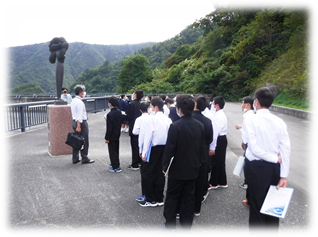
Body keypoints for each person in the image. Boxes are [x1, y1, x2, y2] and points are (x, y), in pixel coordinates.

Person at [243, 87, 290, 236]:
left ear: (256, 101)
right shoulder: (280, 121)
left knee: (257, 207)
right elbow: (286, 149)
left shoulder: (250, 119)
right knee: (273, 206)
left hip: (257, 167)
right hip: (274, 169)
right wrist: (284, 175)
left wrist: (274, 158)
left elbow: (254, 148)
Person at [162, 95, 205, 236]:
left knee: (172, 195)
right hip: (193, 167)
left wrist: (164, 167)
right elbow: (201, 148)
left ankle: (170, 225)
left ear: (179, 109)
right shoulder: (200, 126)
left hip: (177, 168)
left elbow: (170, 149)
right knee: (189, 196)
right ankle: (186, 225)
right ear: (193, 108)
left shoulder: (175, 126)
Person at [139, 97, 172, 207]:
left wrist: (143, 153)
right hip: (165, 149)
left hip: (152, 149)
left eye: (151, 107)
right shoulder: (168, 119)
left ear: (156, 107)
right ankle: (159, 197)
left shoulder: (151, 120)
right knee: (160, 173)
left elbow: (148, 137)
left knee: (147, 173)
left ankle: (150, 199)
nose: (150, 109)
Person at [192, 95, 213, 213]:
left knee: (189, 182)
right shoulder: (208, 121)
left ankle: (185, 209)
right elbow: (210, 139)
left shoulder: (188, 118)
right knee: (200, 181)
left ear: (195, 104)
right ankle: (197, 208)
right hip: (203, 154)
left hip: (190, 154)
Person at [235, 96, 254, 206]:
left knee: (248, 165)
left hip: (249, 145)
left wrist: (244, 142)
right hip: (250, 144)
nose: (242, 105)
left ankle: (247, 183)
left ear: (248, 105)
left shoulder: (249, 116)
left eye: (243, 103)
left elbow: (248, 131)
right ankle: (247, 183)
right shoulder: (250, 115)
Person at [132, 102, 151, 203]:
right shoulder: (152, 118)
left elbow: (135, 132)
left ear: (140, 110)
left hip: (144, 147)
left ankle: (145, 195)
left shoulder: (139, 119)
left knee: (145, 172)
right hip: (156, 148)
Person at [70, 85, 94, 164]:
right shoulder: (80, 102)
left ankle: (75, 157)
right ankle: (84, 157)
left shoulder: (73, 101)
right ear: (80, 93)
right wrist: (79, 126)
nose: (84, 93)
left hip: (74, 121)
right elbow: (79, 116)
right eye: (84, 91)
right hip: (80, 123)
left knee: (76, 140)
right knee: (84, 140)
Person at [209, 96, 228, 189]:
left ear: (216, 105)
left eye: (213, 103)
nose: (212, 105)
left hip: (219, 139)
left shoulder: (219, 116)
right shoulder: (219, 114)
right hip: (221, 139)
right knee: (220, 161)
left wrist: (213, 146)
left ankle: (214, 182)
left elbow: (215, 132)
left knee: (216, 161)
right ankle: (222, 181)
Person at [105, 96, 124, 173]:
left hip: (112, 135)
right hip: (117, 133)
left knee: (112, 151)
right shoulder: (119, 112)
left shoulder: (109, 114)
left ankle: (115, 167)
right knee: (116, 149)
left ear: (110, 104)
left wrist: (107, 138)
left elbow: (109, 128)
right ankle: (116, 163)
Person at [126, 90, 143, 170]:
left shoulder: (131, 104)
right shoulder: (142, 104)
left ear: (135, 95)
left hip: (133, 126)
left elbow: (129, 117)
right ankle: (140, 161)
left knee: (134, 146)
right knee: (140, 145)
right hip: (142, 127)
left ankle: (134, 164)